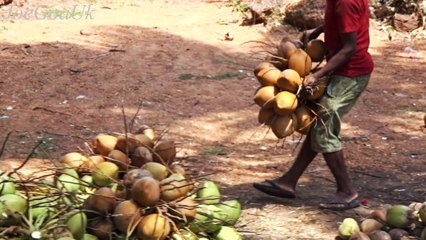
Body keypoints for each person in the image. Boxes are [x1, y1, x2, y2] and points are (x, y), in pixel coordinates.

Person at [253, 0, 374, 210]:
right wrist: (318, 30)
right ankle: (288, 182)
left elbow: (350, 48)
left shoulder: (345, 2)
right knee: (319, 125)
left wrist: (317, 74)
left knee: (324, 130)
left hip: (350, 74)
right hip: (345, 70)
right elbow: (345, 25)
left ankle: (347, 191)